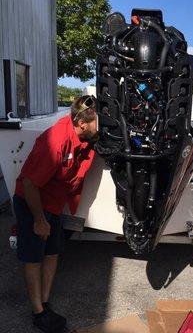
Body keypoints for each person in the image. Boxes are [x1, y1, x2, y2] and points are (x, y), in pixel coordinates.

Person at [13, 95, 97, 333]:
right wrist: (39, 221)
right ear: (82, 124)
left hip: (54, 204)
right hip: (33, 204)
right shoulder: (56, 141)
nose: (100, 128)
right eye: (97, 124)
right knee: (34, 258)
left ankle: (46, 303)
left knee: (52, 253)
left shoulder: (85, 137)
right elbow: (29, 184)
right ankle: (39, 313)